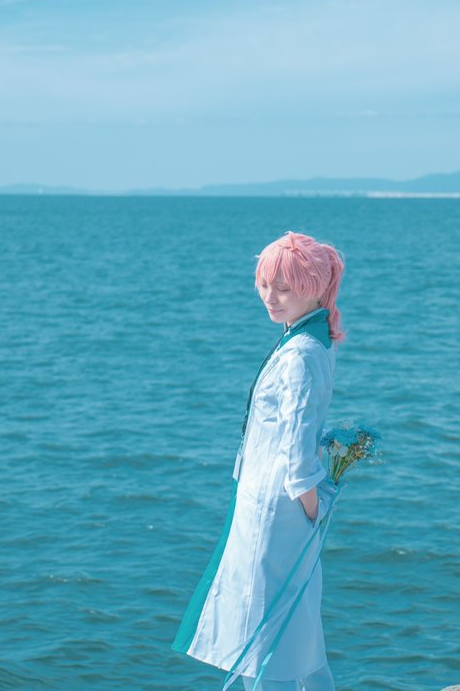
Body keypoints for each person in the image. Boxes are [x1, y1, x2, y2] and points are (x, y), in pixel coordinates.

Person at [172, 231, 347, 691]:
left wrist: (311, 507)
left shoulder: (300, 354)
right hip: (279, 503)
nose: (270, 297)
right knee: (294, 618)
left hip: (277, 508)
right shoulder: (311, 340)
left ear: (312, 288)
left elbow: (297, 445)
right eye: (264, 284)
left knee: (264, 628)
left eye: (283, 288)